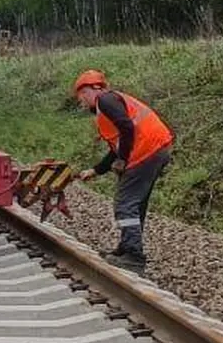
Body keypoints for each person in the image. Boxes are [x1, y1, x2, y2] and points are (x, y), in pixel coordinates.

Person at [70, 69, 173, 273]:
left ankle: (134, 257)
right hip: (155, 149)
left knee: (125, 204)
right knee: (135, 204)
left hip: (146, 152)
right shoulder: (111, 102)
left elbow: (127, 128)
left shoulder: (105, 101)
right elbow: (117, 145)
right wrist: (96, 170)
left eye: (81, 95)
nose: (81, 101)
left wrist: (122, 160)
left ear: (91, 90)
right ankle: (127, 248)